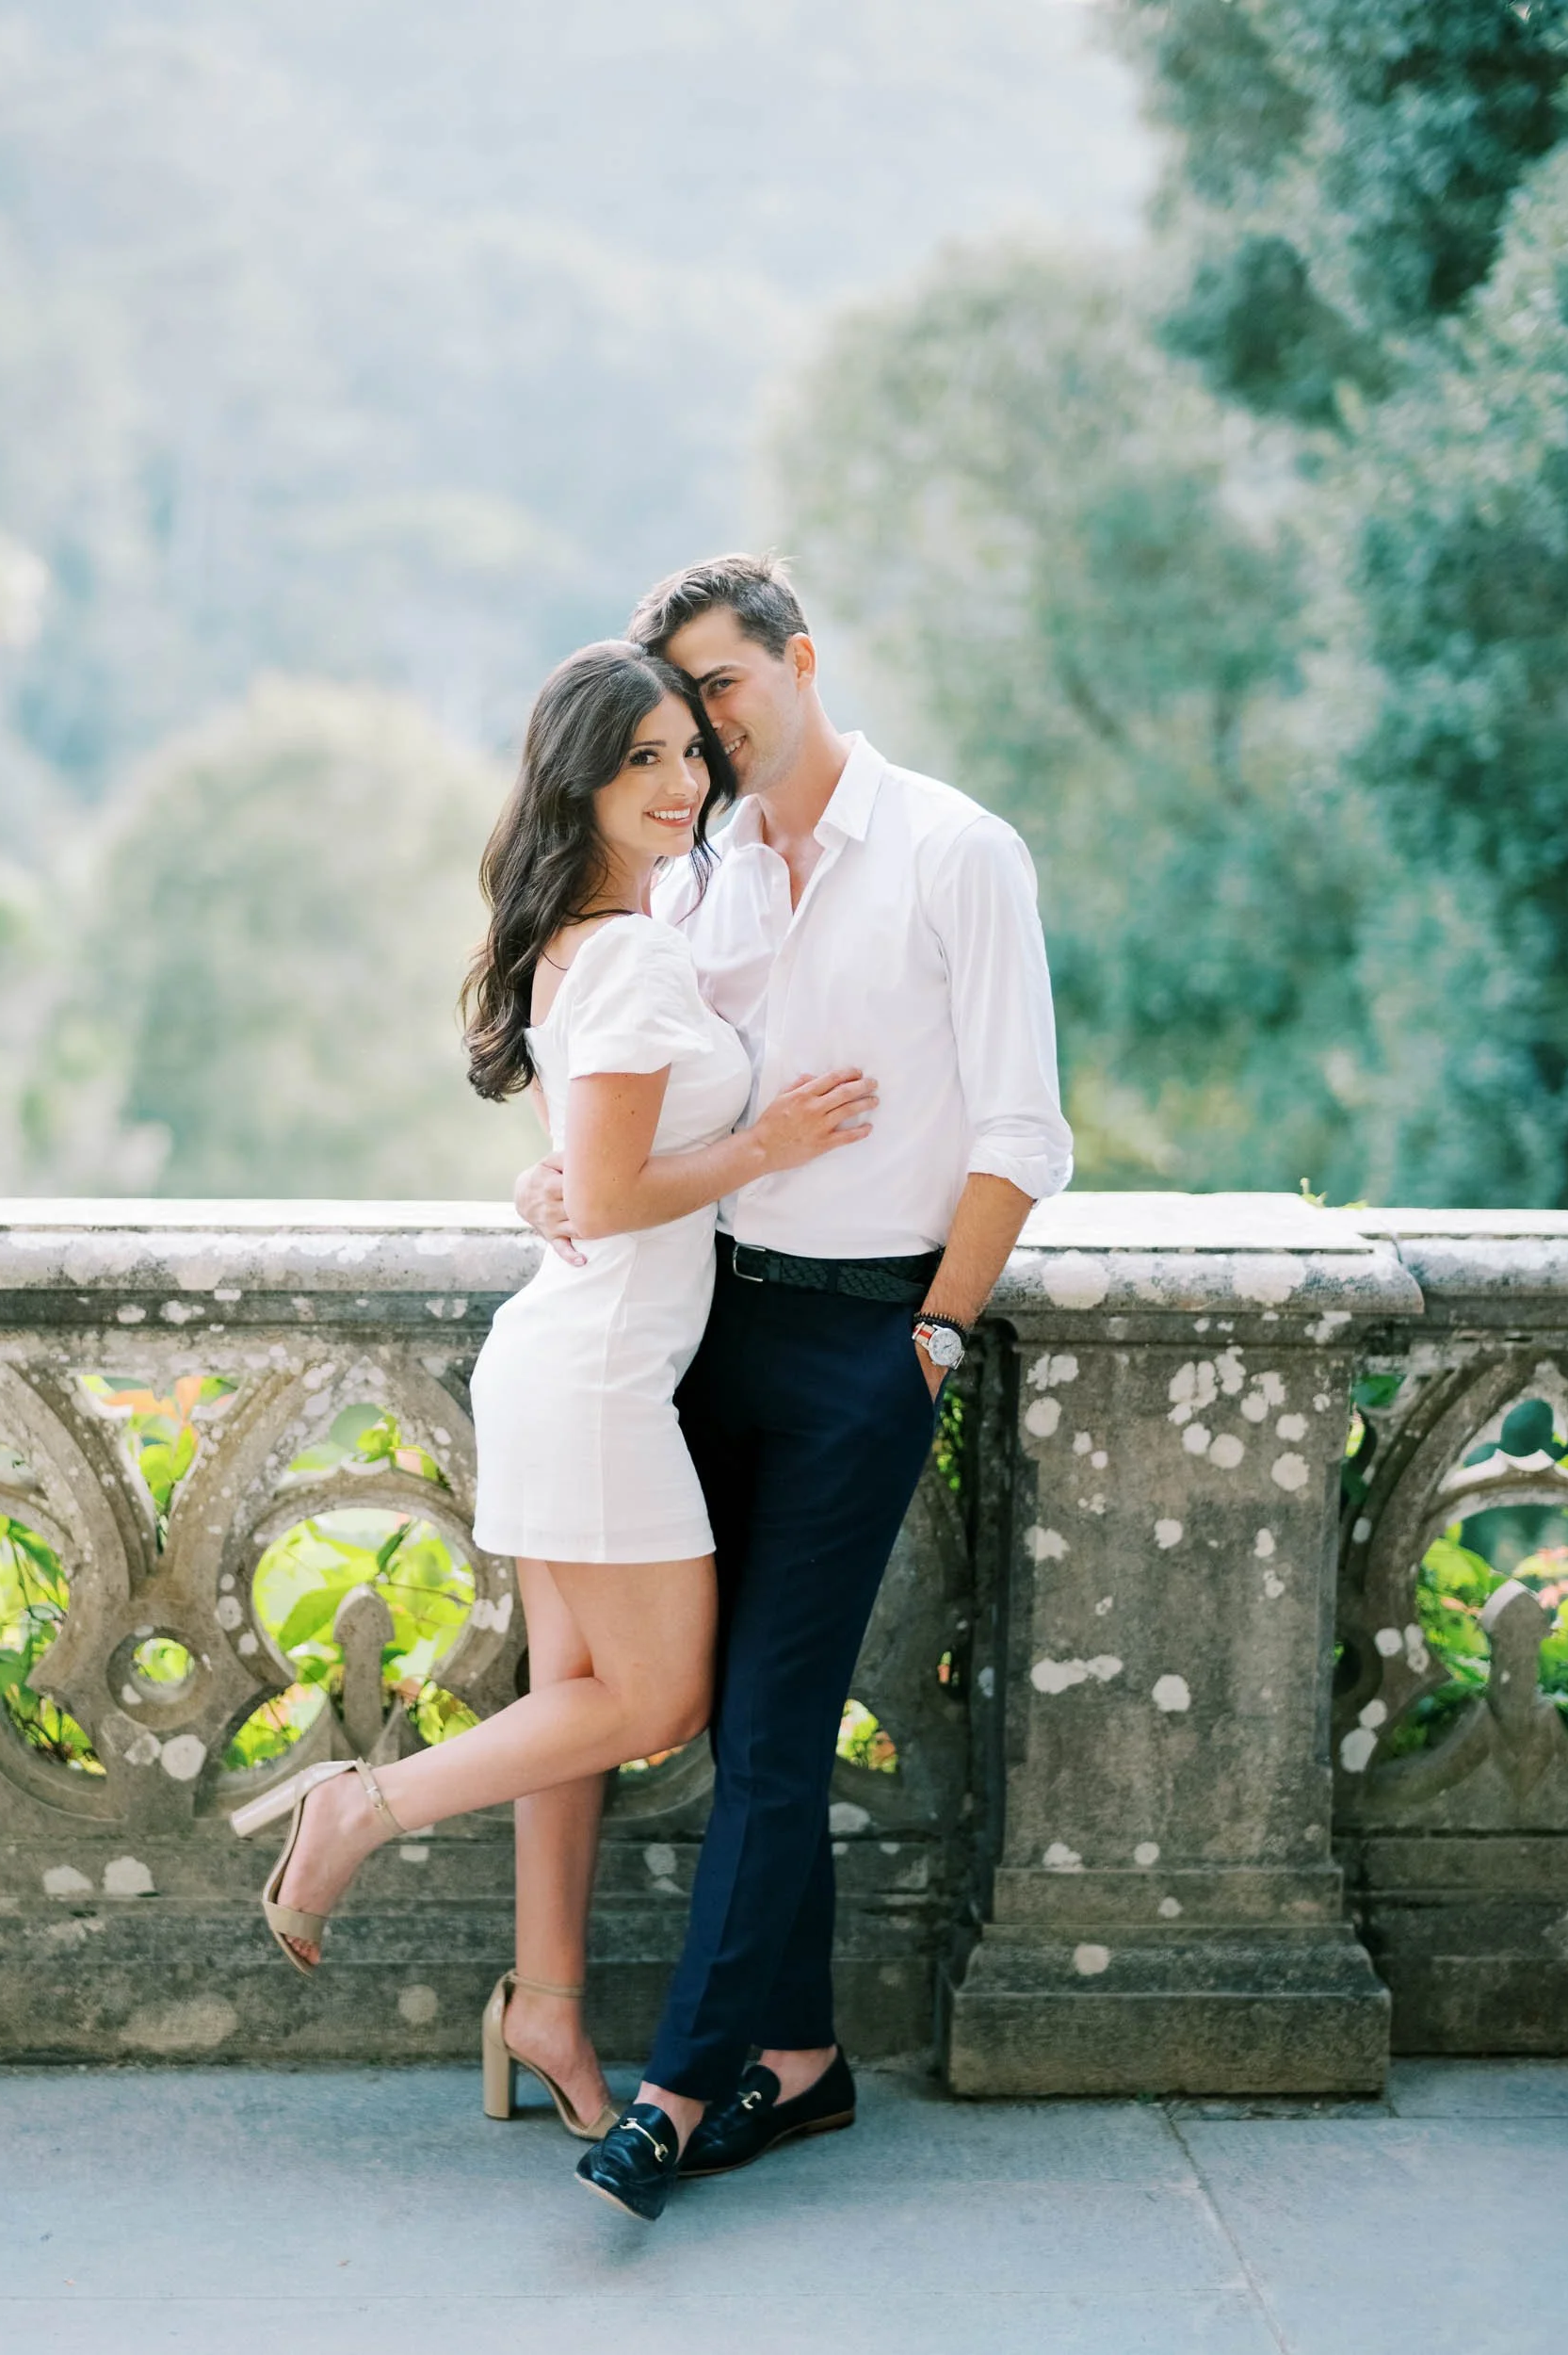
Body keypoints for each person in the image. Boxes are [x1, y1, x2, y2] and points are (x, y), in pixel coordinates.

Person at [229, 640, 876, 2152]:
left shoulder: (583, 940)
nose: (679, 782)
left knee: (571, 1708)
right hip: (595, 1380)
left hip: (572, 1360)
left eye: (688, 753)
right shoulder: (631, 955)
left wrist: (571, 1183)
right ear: (577, 781)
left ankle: (547, 2004)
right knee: (656, 1703)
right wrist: (768, 1146)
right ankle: (358, 1810)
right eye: (642, 758)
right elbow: (615, 1186)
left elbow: (583, 1176)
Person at [512, 557, 1074, 2221]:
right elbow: (629, 1109)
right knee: (714, 1712)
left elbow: (1022, 1132)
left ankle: (678, 2091)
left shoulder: (958, 852)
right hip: (701, 1331)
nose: (703, 736)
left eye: (723, 688)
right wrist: (552, 1187)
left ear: (800, 659)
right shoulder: (697, 874)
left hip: (866, 1342)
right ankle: (804, 2060)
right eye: (676, 715)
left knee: (768, 1723)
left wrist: (936, 1335)